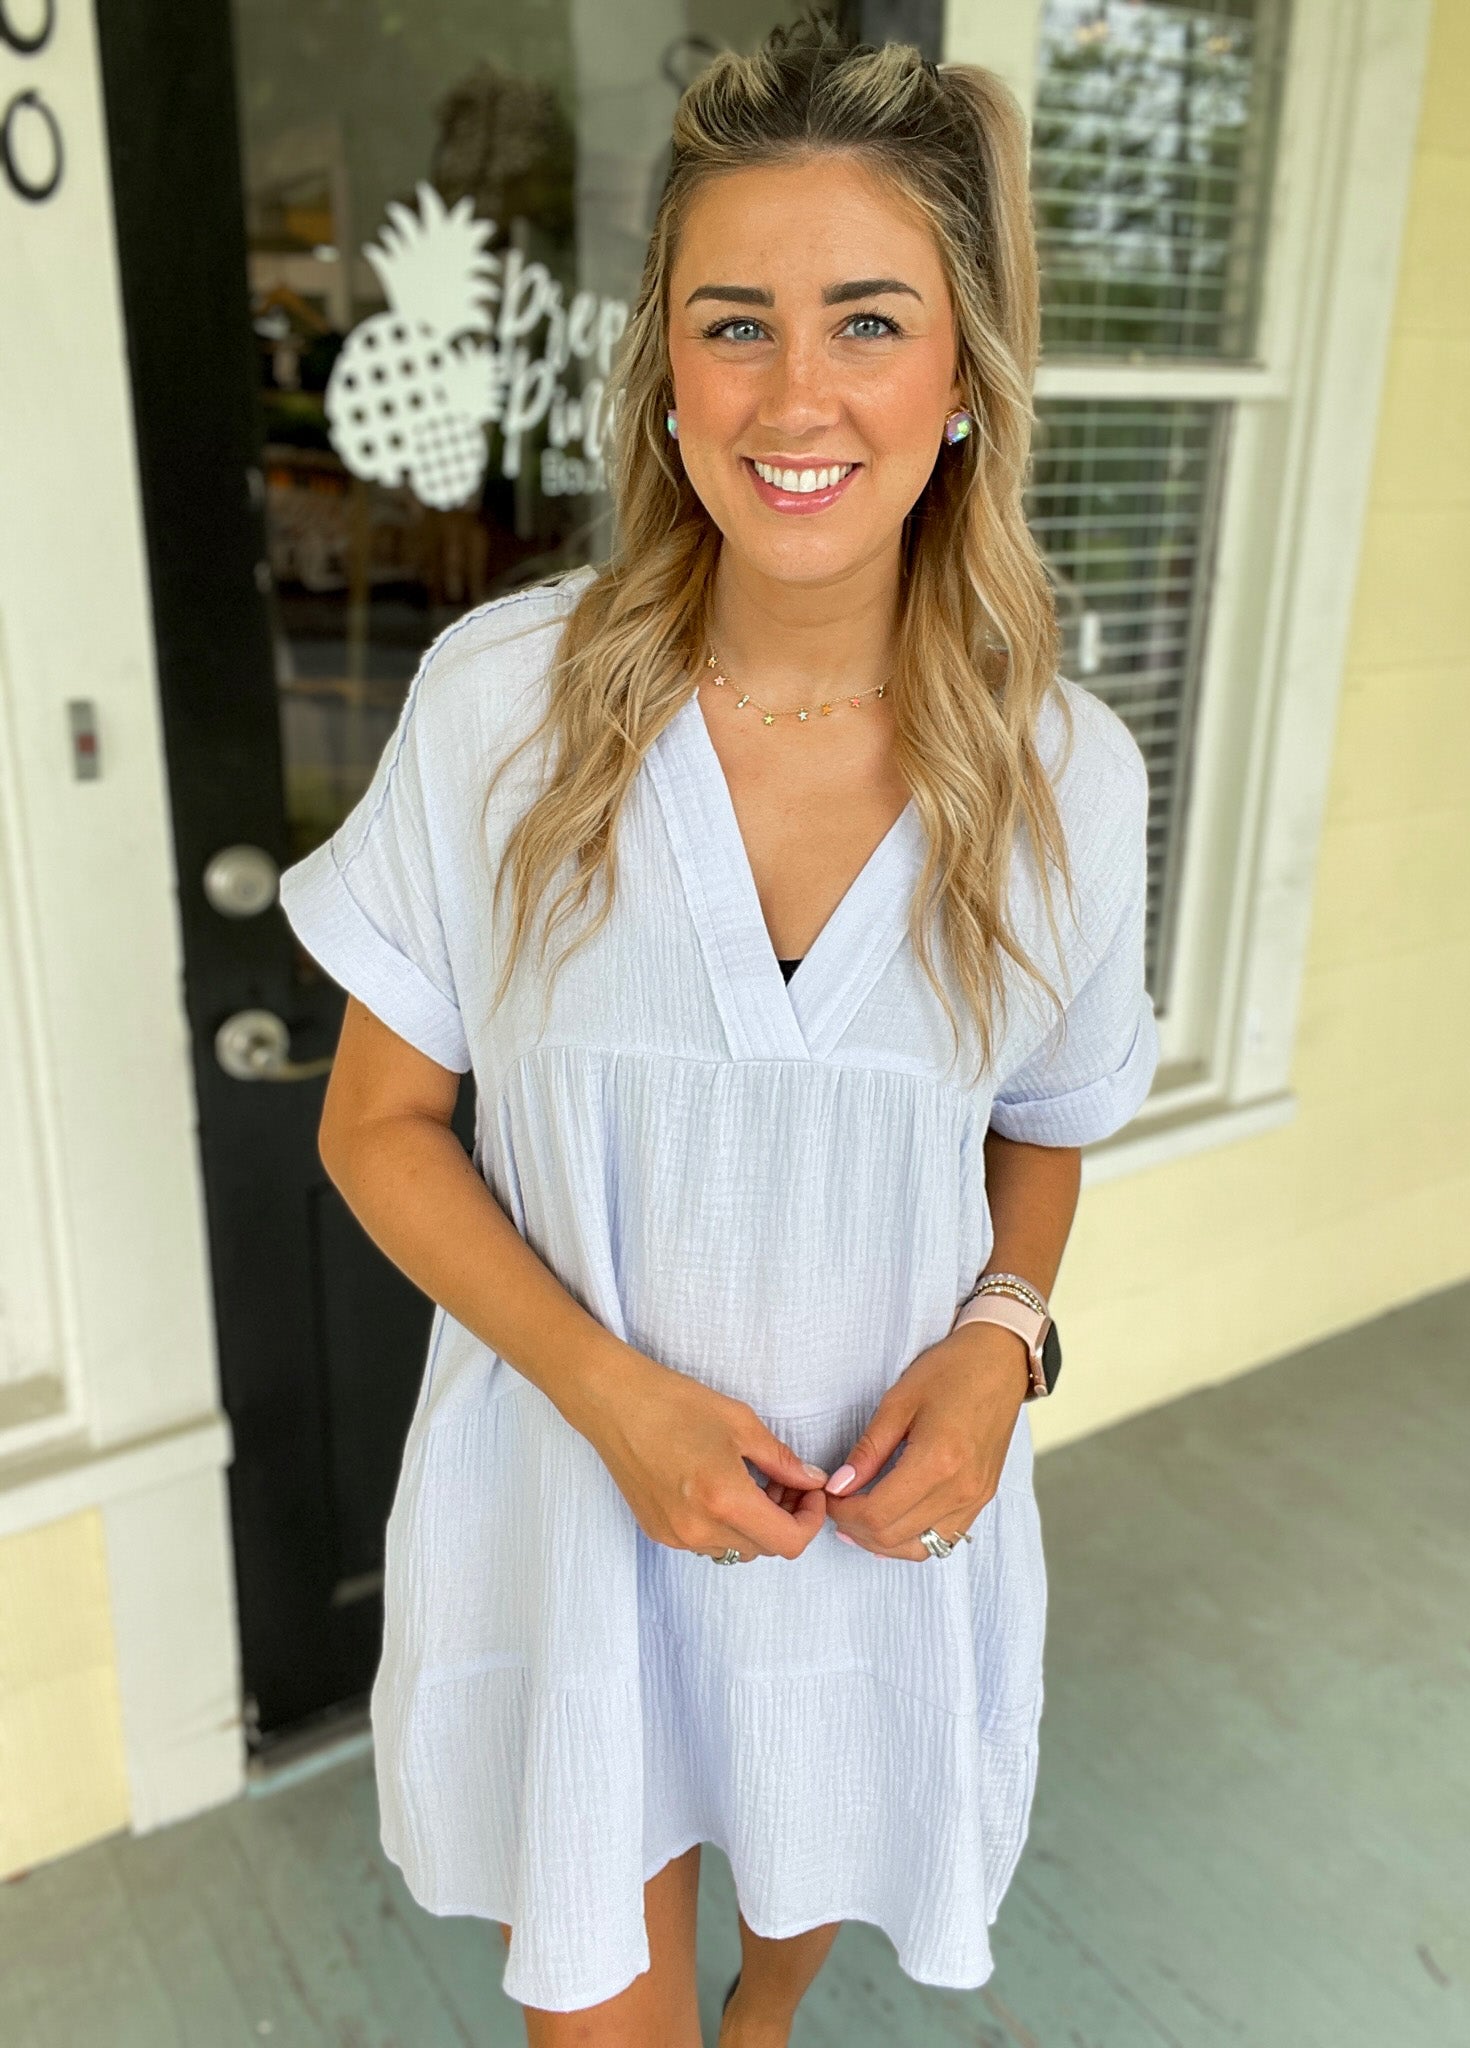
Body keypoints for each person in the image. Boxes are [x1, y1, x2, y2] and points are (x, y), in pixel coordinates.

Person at [278, 13, 1159, 2044]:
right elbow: (374, 1125)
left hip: (873, 1514)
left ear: (962, 376)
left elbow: (1046, 1118)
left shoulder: (1067, 780)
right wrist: (615, 1398)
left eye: (869, 322)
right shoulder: (505, 708)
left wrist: (1001, 1343)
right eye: (733, 323)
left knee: (796, 1891)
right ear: (664, 375)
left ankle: (762, 2013)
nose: (796, 394)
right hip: (571, 1508)